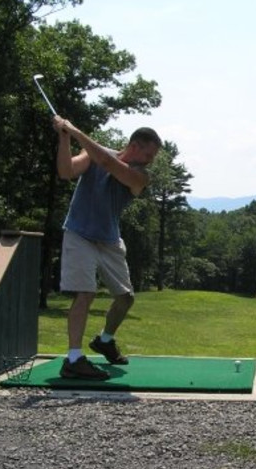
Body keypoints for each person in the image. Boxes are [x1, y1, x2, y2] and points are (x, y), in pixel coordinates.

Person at [52, 115, 162, 380]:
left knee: (126, 298)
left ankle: (105, 340)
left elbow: (106, 162)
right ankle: (74, 359)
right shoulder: (92, 154)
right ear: (134, 145)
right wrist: (64, 137)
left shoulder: (140, 176)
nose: (151, 161)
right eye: (149, 153)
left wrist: (75, 130)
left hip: (109, 239)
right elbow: (66, 172)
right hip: (79, 234)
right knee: (85, 294)